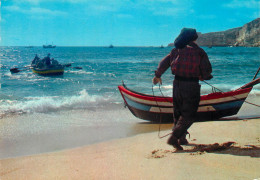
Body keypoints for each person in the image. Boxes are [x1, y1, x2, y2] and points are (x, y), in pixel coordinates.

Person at [152, 28, 213, 150]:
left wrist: (157, 75)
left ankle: (182, 138)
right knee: (189, 115)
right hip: (191, 85)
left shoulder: (175, 51)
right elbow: (206, 71)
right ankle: (174, 138)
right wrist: (204, 76)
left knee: (178, 113)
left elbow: (164, 63)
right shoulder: (199, 52)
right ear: (194, 38)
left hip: (177, 84)